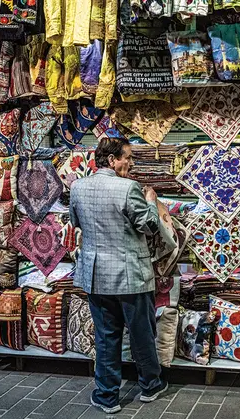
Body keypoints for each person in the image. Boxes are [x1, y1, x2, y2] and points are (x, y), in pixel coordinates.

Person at [69, 138, 168, 414]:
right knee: (141, 334)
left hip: (96, 276)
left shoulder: (78, 187)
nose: (131, 162)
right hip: (130, 276)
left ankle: (107, 395)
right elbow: (149, 226)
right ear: (111, 160)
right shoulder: (129, 188)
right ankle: (150, 385)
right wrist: (151, 202)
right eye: (128, 157)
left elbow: (75, 222)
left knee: (106, 337)